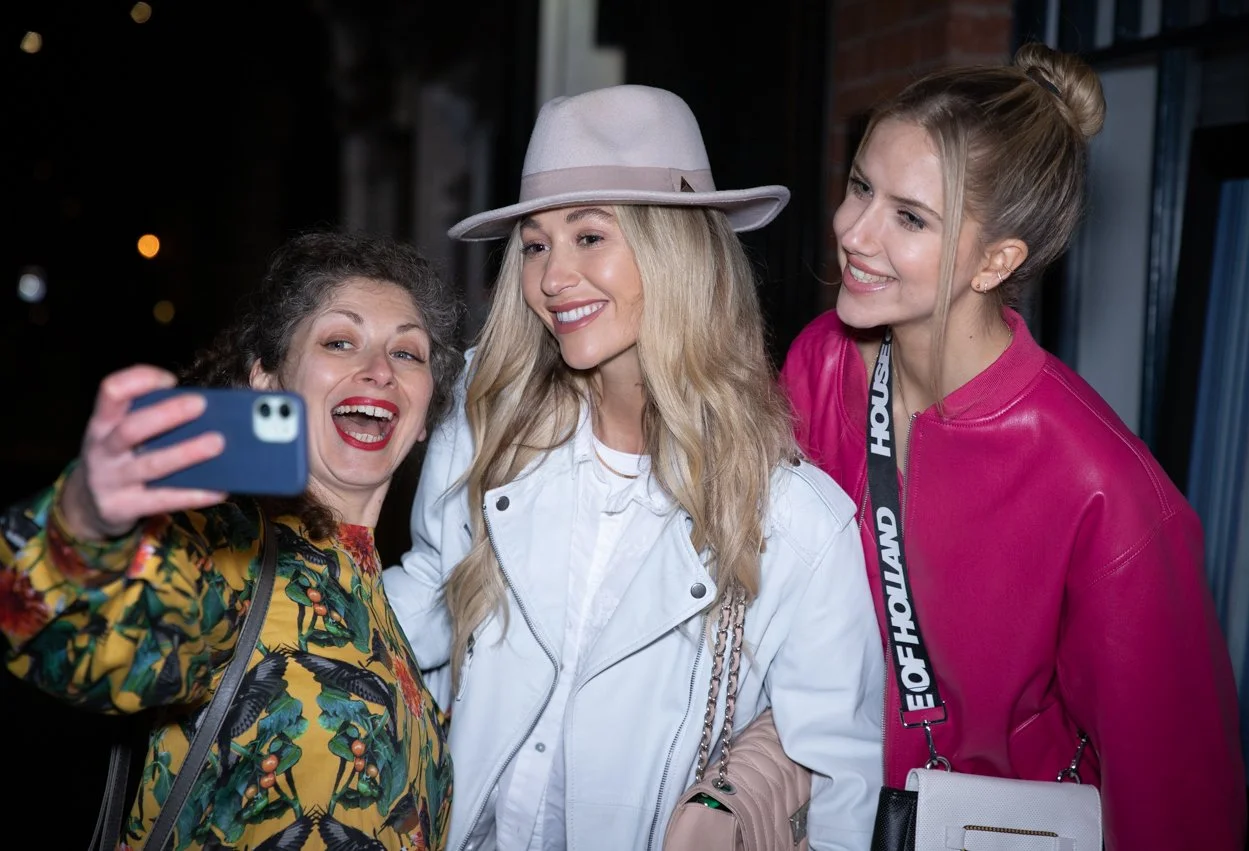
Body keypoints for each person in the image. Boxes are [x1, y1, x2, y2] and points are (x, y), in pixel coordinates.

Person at [383, 84, 885, 851]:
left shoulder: (797, 523)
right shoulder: (486, 427)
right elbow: (422, 599)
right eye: (536, 244)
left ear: (671, 248)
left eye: (589, 237)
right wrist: (259, 623)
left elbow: (836, 785)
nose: (552, 277)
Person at [779, 42, 1246, 850]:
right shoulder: (822, 363)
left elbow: (1179, 807)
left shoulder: (1108, 490)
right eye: (861, 185)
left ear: (999, 259)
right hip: (826, 814)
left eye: (910, 216)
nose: (853, 231)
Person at [0, 230, 464, 850]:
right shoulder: (230, 550)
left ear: (427, 414)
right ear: (267, 382)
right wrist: (86, 521)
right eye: (339, 341)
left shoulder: (378, 598)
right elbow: (89, 638)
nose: (378, 370)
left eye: (407, 354)